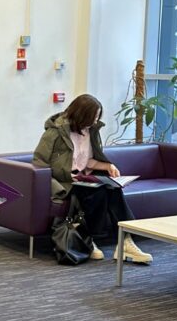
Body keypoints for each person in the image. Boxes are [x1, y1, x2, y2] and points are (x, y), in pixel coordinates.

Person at [33, 94, 152, 264]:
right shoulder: (55, 133)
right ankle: (89, 240)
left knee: (113, 188)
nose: (95, 121)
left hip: (84, 177)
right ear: (81, 115)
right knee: (96, 192)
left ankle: (126, 242)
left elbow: (87, 160)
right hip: (66, 181)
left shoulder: (91, 131)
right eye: (93, 117)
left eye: (97, 117)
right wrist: (62, 180)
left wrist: (107, 166)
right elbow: (39, 163)